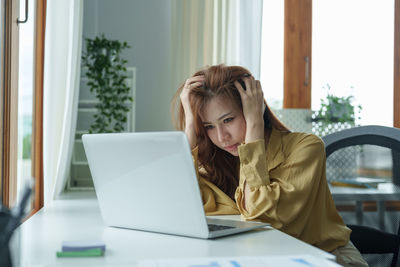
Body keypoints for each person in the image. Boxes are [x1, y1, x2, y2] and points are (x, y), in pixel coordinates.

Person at [171, 64, 369, 267]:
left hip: (324, 256)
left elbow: (262, 218)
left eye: (228, 120)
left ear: (254, 109)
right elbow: (180, 208)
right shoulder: (217, 160)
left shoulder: (306, 147)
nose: (222, 137)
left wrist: (254, 125)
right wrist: (189, 127)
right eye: (209, 127)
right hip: (260, 258)